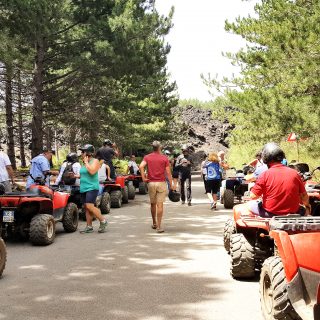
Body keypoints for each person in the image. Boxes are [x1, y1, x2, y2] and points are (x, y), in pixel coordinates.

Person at [249, 142, 311, 217]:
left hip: (270, 213)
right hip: (293, 213)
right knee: (304, 208)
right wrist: (307, 206)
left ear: (265, 158)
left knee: (249, 205)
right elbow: (304, 196)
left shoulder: (265, 175)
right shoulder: (295, 173)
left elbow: (253, 196)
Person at [139, 141, 173, 233]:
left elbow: (141, 166)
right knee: (160, 205)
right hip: (161, 183)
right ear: (159, 148)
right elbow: (168, 173)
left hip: (151, 183)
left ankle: (154, 223)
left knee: (153, 204)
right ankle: (159, 226)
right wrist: (172, 184)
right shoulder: (164, 158)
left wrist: (143, 178)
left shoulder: (147, 157)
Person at [73, 144, 108, 233]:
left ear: (88, 152)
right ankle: (89, 226)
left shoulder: (95, 161)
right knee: (86, 207)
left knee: (90, 206)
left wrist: (86, 163)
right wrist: (75, 176)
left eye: (83, 152)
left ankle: (103, 220)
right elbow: (83, 174)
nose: (81, 154)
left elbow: (92, 172)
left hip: (92, 187)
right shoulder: (84, 162)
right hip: (84, 187)